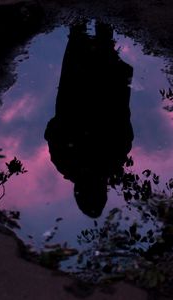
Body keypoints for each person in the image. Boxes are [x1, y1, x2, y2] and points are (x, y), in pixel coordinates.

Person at [45, 21, 134, 218]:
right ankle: (93, 16)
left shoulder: (113, 161)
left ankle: (98, 16)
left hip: (100, 91)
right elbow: (51, 130)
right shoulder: (65, 163)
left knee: (98, 41)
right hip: (77, 92)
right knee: (82, 39)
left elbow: (125, 125)